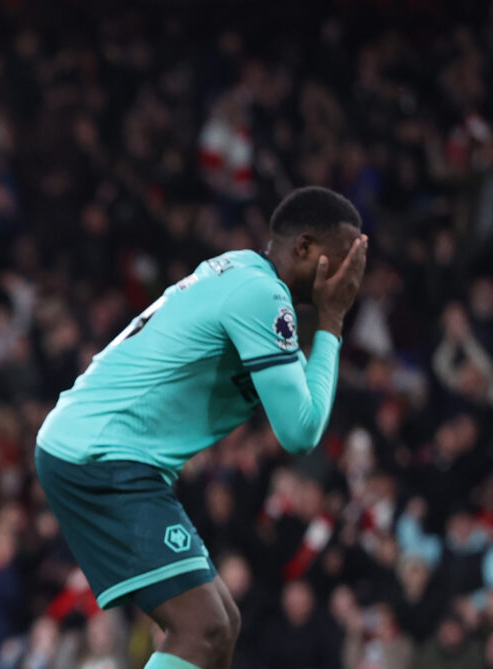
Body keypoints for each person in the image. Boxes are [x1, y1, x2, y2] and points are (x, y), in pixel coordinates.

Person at [35, 186, 368, 669]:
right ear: (304, 248)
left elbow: (303, 408)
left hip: (100, 450)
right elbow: (301, 432)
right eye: (342, 261)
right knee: (202, 628)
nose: (349, 279)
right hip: (100, 455)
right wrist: (333, 320)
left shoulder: (243, 276)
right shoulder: (261, 294)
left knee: (221, 624)